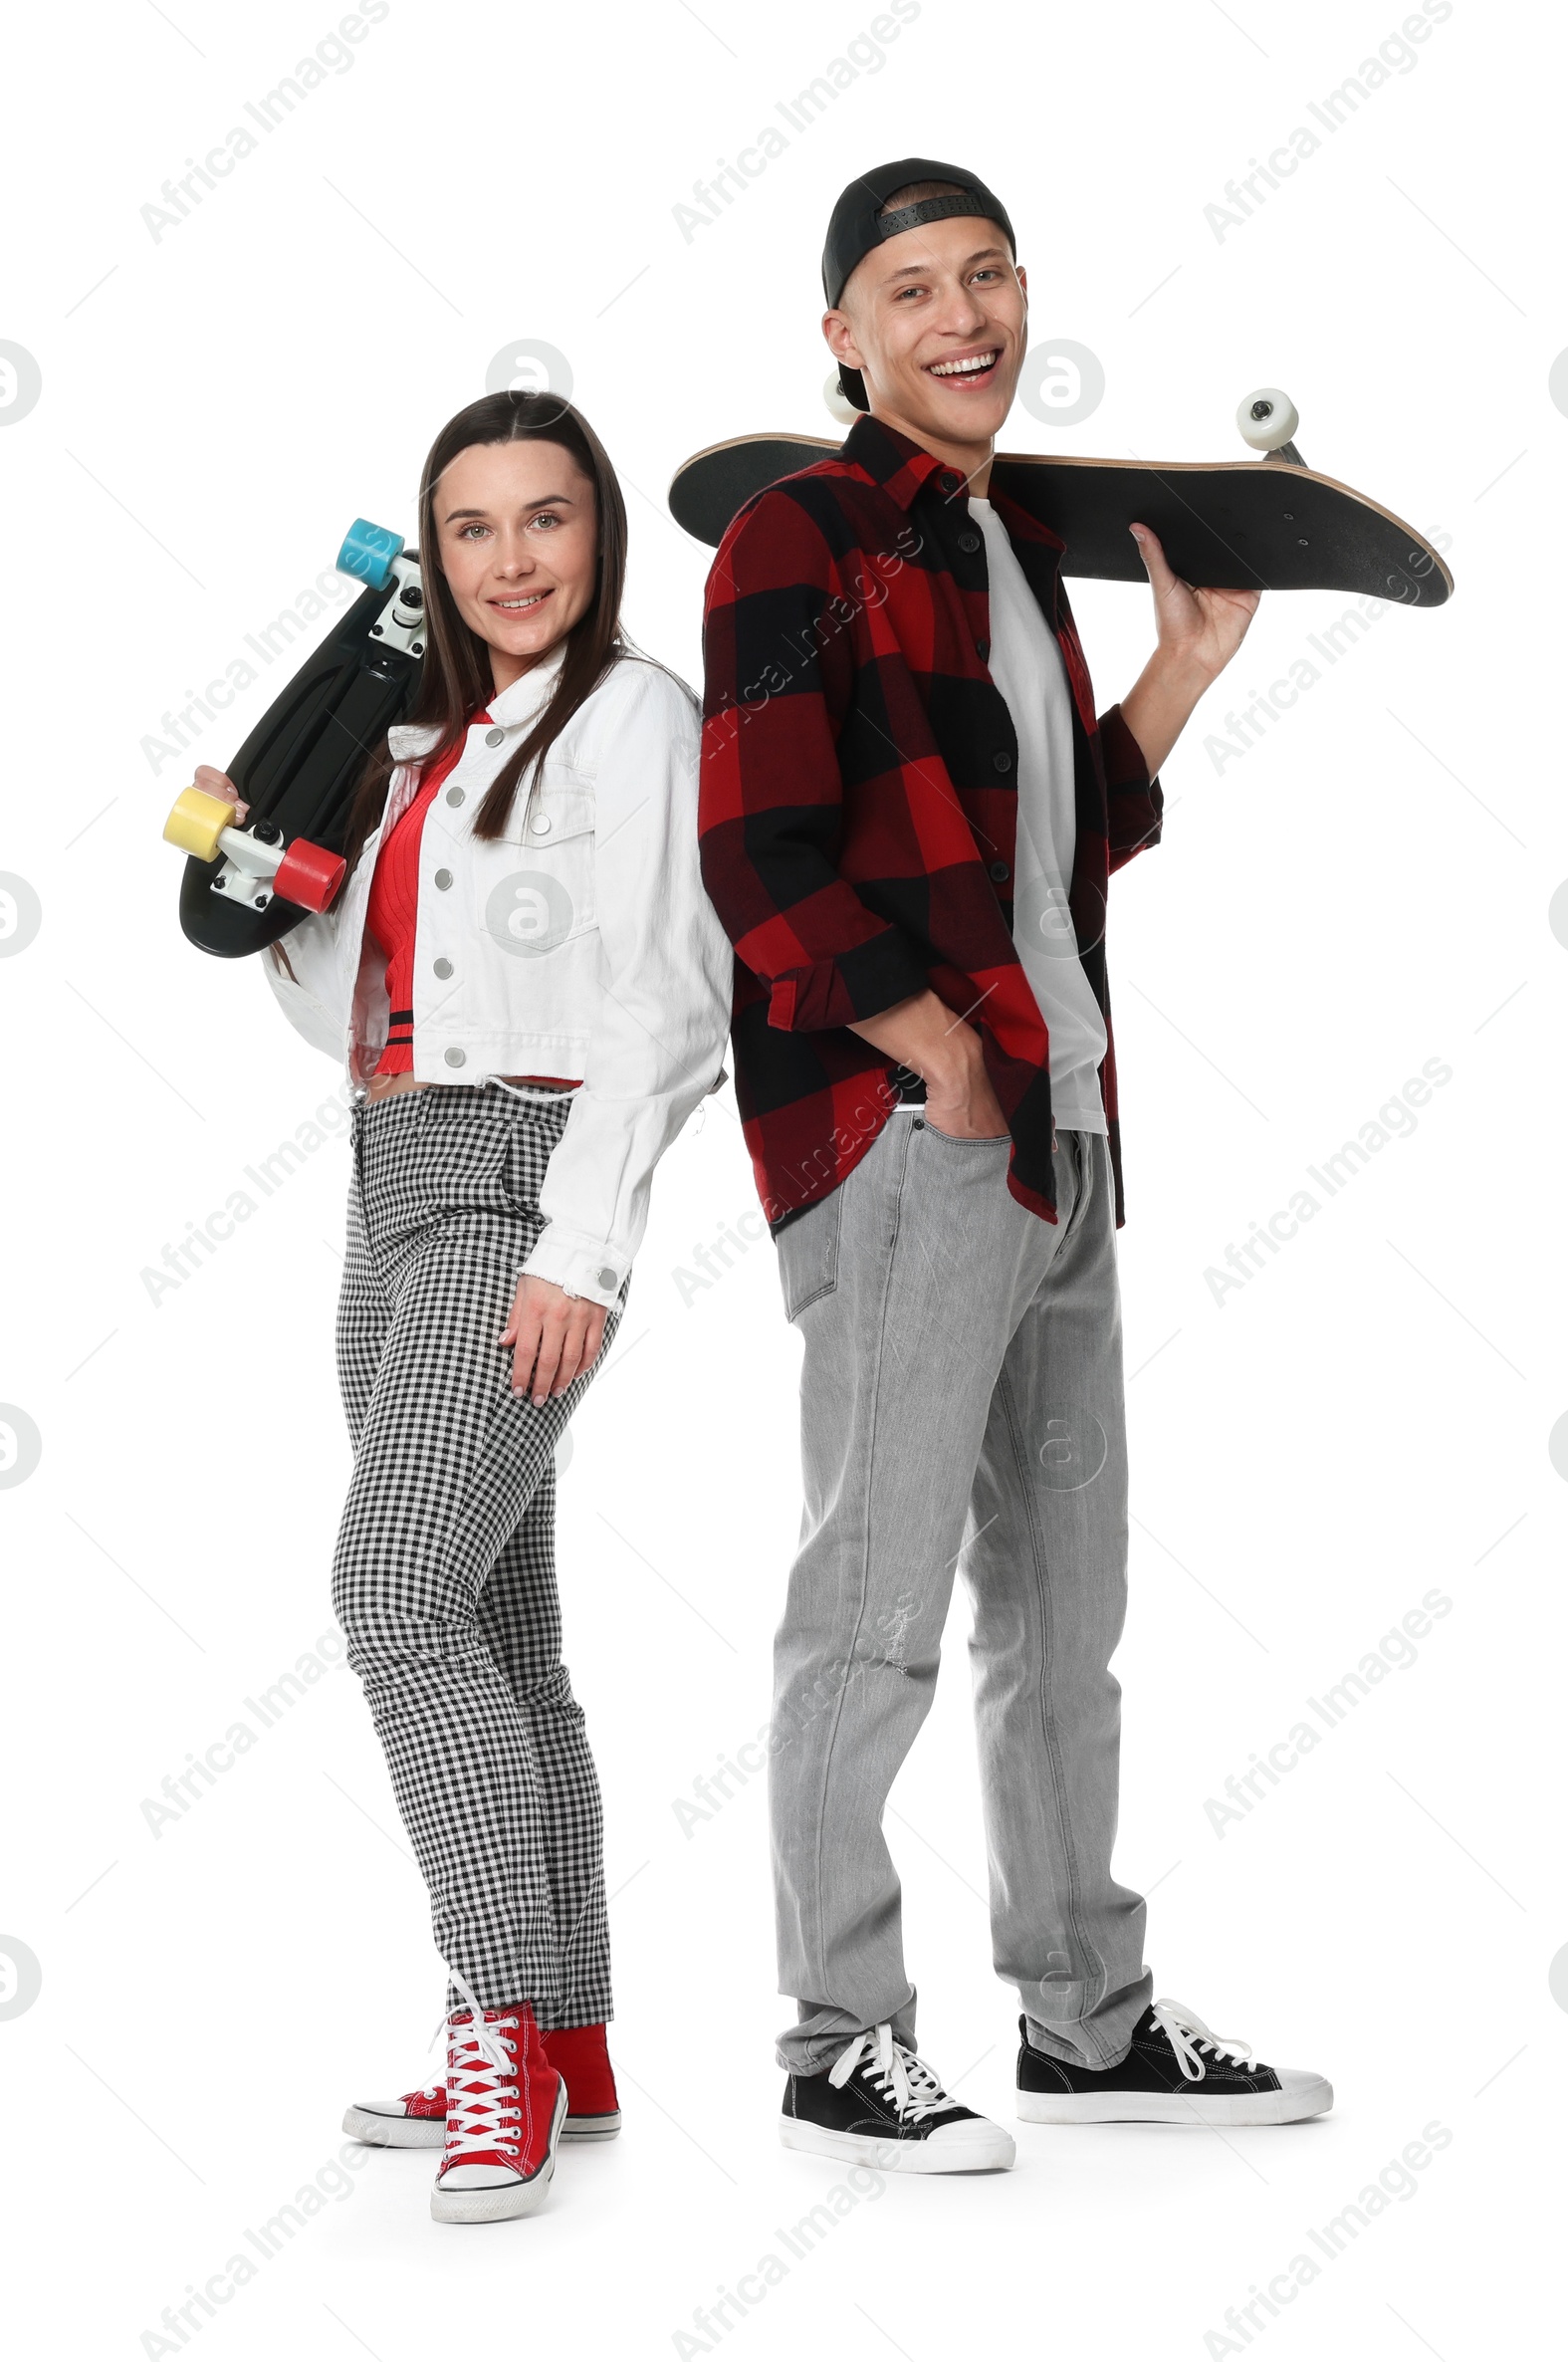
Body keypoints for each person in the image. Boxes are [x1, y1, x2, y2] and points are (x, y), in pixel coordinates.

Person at [697, 160, 1331, 2171]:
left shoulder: (996, 546)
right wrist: (941, 1057)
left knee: (1062, 1608)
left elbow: (1040, 844)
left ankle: (1084, 2010)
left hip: (1059, 1129)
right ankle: (832, 2033)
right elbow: (758, 857)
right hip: (908, 1137)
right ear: (841, 334)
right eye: (909, 286)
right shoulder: (797, 534)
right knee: (870, 1603)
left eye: (985, 275)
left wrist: (1179, 669)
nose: (959, 314)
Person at [200, 389, 730, 2222]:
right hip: (387, 1176)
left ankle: (494, 2012)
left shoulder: (637, 719)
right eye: (478, 529)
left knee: (389, 1595)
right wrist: (274, 907)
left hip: (520, 1185)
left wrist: (580, 1250)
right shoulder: (425, 737)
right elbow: (359, 1010)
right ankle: (571, 2041)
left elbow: (668, 998)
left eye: (549, 521)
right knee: (495, 1627)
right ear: (434, 557)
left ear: (600, 538)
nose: (515, 561)